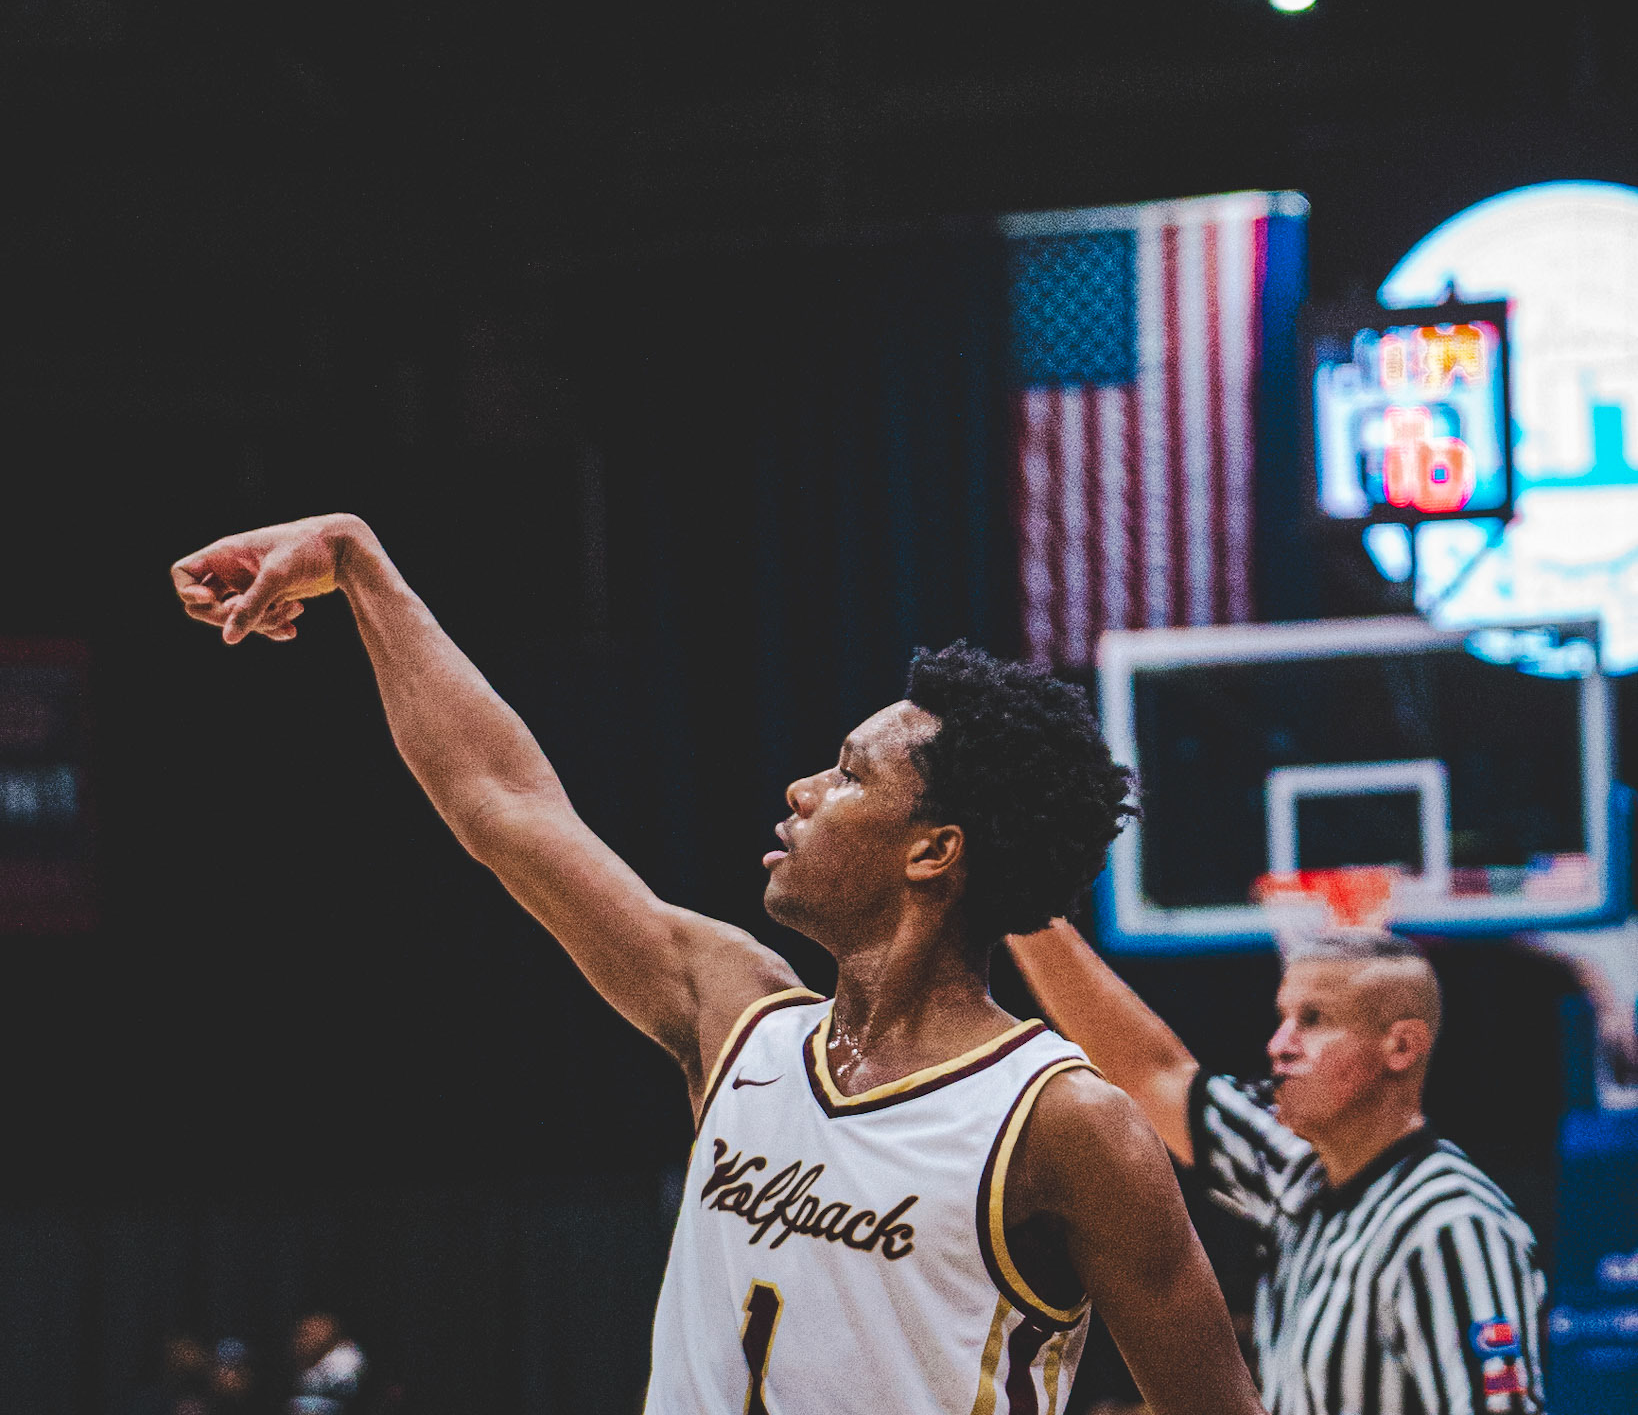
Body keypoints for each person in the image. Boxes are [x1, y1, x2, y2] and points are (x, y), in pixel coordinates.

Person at [172, 513, 1262, 1415]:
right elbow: (502, 804)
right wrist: (358, 563)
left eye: (848, 775)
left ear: (934, 852)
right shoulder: (741, 1015)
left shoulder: (1067, 1122)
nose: (802, 790)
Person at [1010, 918, 1545, 1415]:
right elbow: (1153, 1075)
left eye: (1313, 1020)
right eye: (1283, 1018)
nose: (1278, 1046)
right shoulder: (1300, 1178)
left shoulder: (1452, 1227)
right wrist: (1023, 906)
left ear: (1401, 1047)